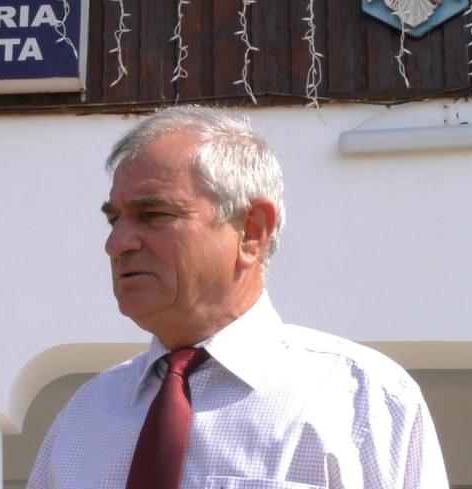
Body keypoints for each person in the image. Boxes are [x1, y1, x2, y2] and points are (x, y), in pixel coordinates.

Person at [26, 106, 449, 489]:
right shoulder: (84, 418)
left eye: (153, 215)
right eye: (114, 220)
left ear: (252, 231)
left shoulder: (363, 400)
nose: (117, 243)